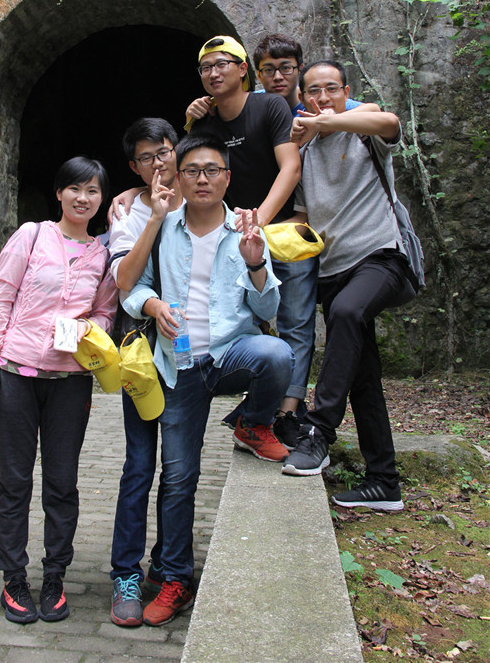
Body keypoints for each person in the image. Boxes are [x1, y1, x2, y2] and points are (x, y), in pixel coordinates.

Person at [123, 133, 293, 626]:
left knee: (276, 354)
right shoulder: (162, 227)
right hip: (179, 367)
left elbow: (268, 308)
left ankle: (252, 423)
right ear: (178, 178)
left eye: (212, 170)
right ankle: (176, 578)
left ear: (227, 177)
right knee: (178, 477)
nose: (202, 179)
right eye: (193, 170)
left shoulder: (244, 230)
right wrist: (153, 305)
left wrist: (256, 261)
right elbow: (132, 288)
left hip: (229, 354)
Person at [188, 33, 378, 452]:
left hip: (284, 231)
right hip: (235, 239)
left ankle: (288, 412)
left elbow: (290, 168)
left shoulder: (271, 106)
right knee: (245, 321)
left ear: (242, 70)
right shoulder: (203, 121)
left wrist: (258, 221)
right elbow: (184, 171)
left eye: (222, 64)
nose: (214, 73)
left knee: (295, 320)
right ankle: (258, 411)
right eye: (206, 67)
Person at [0, 157, 118, 624]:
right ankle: (13, 578)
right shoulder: (32, 235)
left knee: (61, 483)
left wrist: (89, 329)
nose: (83, 197)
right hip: (15, 374)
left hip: (69, 382)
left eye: (93, 191)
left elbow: (106, 313)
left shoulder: (103, 255)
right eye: (75, 188)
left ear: (101, 199)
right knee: (14, 480)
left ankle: (55, 576)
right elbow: (2, 293)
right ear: (59, 193)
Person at [280, 61, 415, 513]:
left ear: (346, 91)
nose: (322, 97)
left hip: (381, 257)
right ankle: (384, 482)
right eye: (313, 92)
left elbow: (389, 122)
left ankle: (319, 430)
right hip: (333, 272)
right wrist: (259, 231)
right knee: (364, 377)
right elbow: (303, 216)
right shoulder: (305, 153)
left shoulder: (363, 131)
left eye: (331, 89)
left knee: (346, 312)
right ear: (302, 98)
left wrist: (327, 121)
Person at [108, 118, 183, 628]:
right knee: (139, 463)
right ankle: (125, 574)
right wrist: (153, 216)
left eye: (164, 152)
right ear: (134, 167)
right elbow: (123, 280)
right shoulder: (128, 211)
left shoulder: (201, 195)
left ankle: (168, 564)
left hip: (190, 353)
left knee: (178, 470)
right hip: (142, 352)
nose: (158, 163)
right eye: (146, 157)